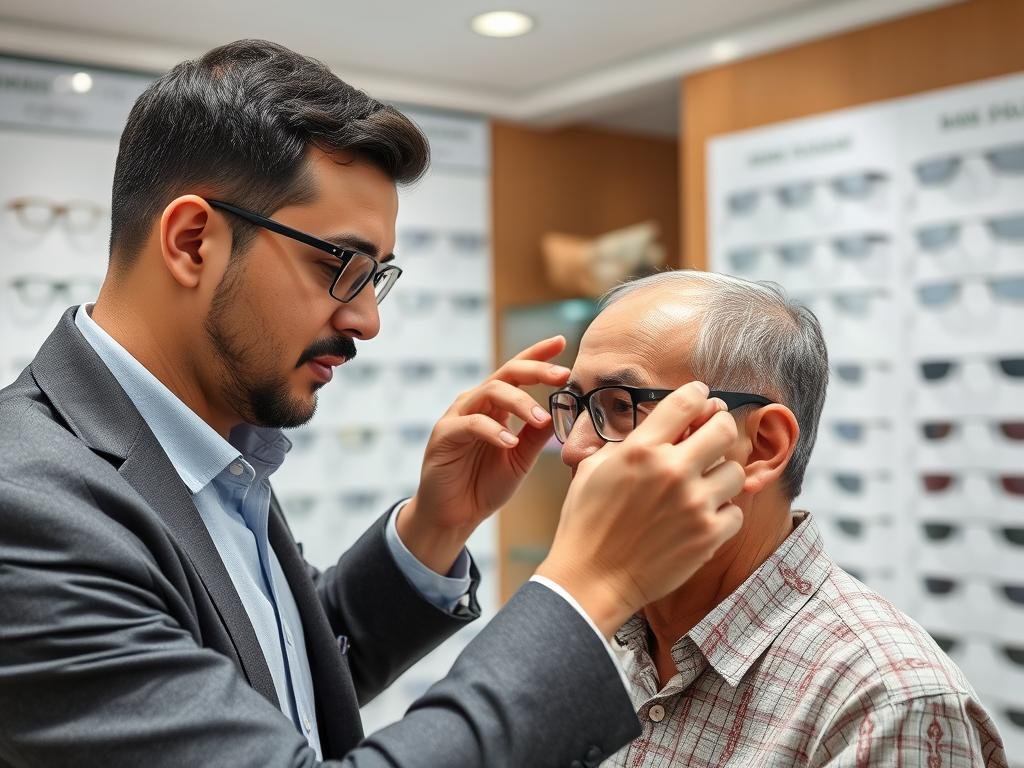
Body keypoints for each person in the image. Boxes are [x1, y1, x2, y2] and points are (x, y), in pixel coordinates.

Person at [0, 41, 747, 768]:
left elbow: (261, 673)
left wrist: (434, 525)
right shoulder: (26, 509)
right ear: (194, 241)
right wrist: (592, 587)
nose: (366, 321)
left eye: (376, 276)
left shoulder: (210, 453)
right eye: (341, 267)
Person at [549, 270, 1008, 767]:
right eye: (575, 406)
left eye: (619, 405)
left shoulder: (885, 701)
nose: (573, 449)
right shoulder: (600, 640)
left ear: (761, 446)